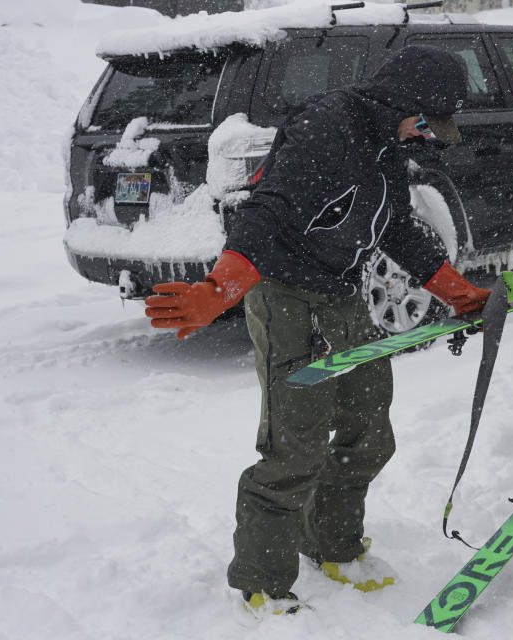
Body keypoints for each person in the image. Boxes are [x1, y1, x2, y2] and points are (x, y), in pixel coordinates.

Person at [144, 45, 491, 618]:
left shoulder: (386, 142)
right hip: (285, 298)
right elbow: (268, 213)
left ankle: (331, 545)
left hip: (342, 294)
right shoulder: (327, 126)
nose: (427, 137)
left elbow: (395, 226)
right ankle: (260, 581)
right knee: (294, 448)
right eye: (426, 121)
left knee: (368, 429)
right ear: (400, 99)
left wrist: (456, 292)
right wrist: (217, 290)